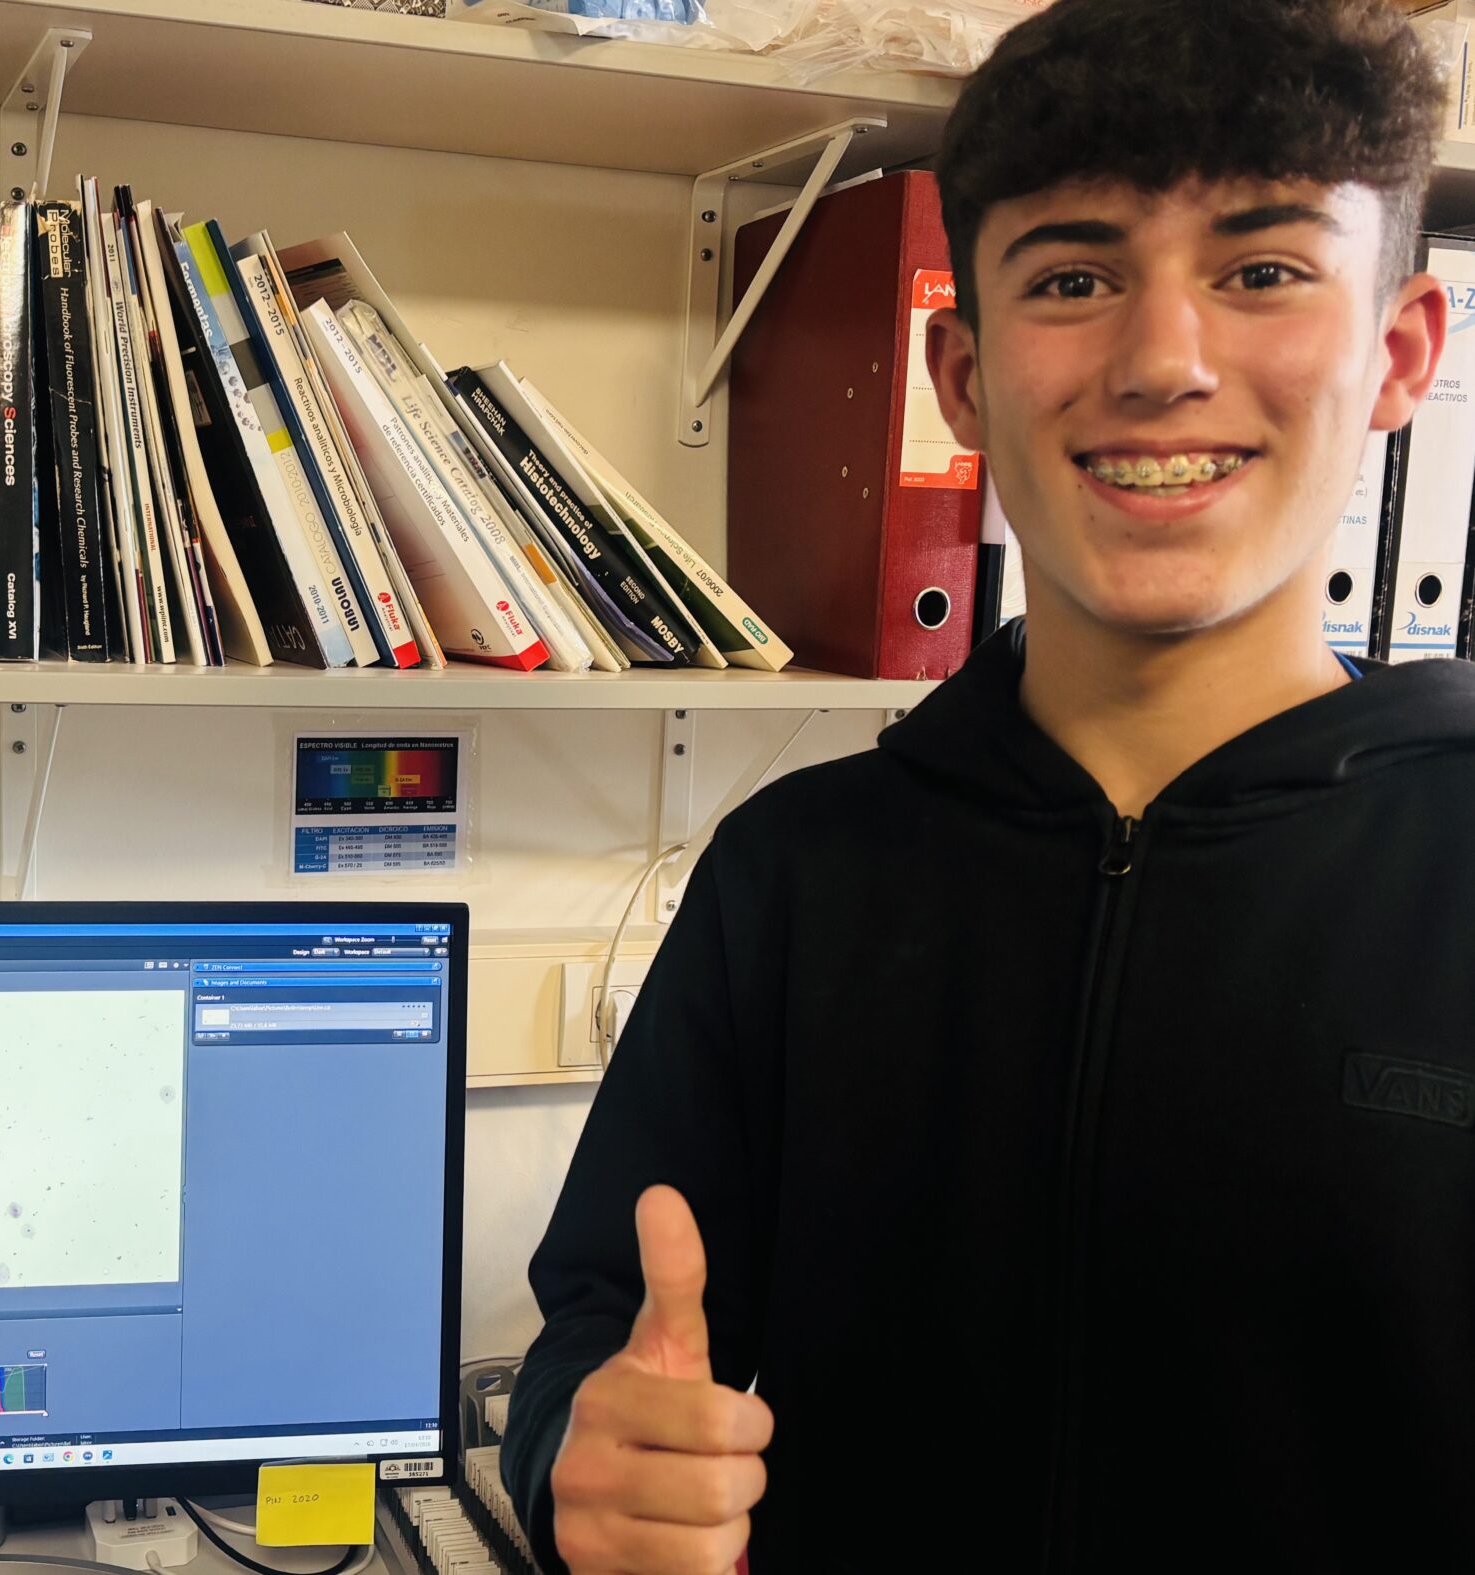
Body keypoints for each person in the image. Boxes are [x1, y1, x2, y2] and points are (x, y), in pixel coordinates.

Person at [500, 1, 1475, 1569]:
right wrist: (583, 1470)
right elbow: (601, 1339)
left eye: (1263, 273)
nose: (1163, 363)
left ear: (1400, 352)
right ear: (959, 373)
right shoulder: (794, 876)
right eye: (1075, 280)